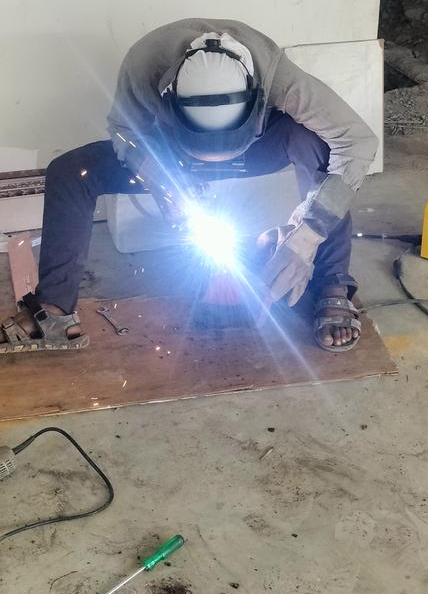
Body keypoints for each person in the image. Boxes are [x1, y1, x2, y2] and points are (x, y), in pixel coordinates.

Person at [0, 20, 378, 354]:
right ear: (169, 107)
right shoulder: (145, 65)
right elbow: (124, 131)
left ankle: (332, 283)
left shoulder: (281, 78)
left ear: (257, 103)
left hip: (260, 150)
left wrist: (305, 238)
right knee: (71, 170)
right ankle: (54, 309)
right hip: (171, 160)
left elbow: (357, 144)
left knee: (323, 152)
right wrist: (158, 177)